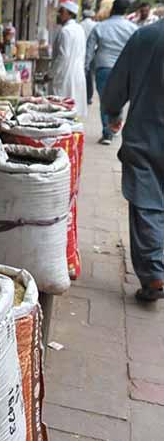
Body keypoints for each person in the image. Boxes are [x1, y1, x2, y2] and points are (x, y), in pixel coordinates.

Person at [101, 20, 164, 302]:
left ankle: (154, 274)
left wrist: (113, 114)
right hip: (147, 136)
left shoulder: (146, 36)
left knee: (147, 203)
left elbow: (116, 85)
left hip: (146, 135)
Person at [85, 0, 138, 145]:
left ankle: (107, 132)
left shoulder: (100, 27)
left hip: (103, 68)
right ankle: (114, 125)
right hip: (124, 69)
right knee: (120, 98)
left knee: (105, 100)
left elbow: (90, 48)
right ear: (125, 10)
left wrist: (86, 66)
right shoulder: (133, 28)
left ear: (112, 8)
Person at [49, 1, 87, 118]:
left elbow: (62, 57)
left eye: (61, 12)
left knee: (61, 109)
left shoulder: (65, 31)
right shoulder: (79, 29)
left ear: (69, 14)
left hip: (64, 75)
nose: (58, 15)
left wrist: (50, 74)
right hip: (77, 74)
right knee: (72, 110)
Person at [80, 9, 97, 105]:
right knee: (90, 76)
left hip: (82, 52)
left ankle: (83, 96)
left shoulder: (80, 25)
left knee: (83, 75)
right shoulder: (95, 25)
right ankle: (89, 97)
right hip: (93, 53)